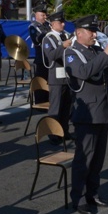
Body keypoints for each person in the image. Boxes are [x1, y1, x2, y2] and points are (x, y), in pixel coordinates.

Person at [64, 15, 108, 214]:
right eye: (91, 31)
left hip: (102, 111)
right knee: (84, 159)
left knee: (97, 158)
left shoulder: (97, 50)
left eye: (95, 31)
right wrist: (106, 54)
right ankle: (78, 199)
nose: (95, 35)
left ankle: (93, 193)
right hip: (86, 114)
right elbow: (84, 71)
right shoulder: (71, 53)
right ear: (79, 33)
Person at [41, 10, 73, 142]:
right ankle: (53, 134)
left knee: (66, 107)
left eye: (63, 22)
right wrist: (63, 47)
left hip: (67, 76)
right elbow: (51, 56)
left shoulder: (65, 35)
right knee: (55, 107)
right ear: (53, 24)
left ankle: (64, 131)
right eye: (60, 23)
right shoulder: (48, 38)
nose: (63, 25)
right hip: (56, 76)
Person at [29, 1, 51, 81]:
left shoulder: (48, 25)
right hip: (42, 58)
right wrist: (50, 32)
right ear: (36, 15)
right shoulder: (33, 26)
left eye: (45, 15)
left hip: (50, 58)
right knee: (41, 83)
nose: (45, 17)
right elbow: (37, 40)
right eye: (43, 15)